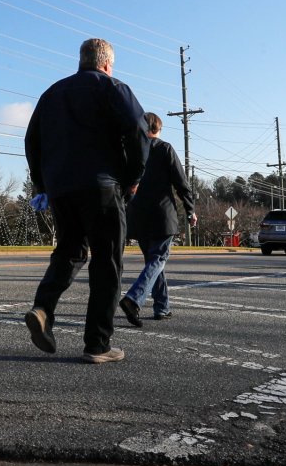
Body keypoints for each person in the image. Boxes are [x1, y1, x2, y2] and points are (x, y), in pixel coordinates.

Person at [23, 38, 148, 364]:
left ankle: (43, 309)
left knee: (69, 252)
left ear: (81, 60)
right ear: (106, 64)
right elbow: (138, 129)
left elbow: (31, 141)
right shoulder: (113, 88)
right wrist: (133, 177)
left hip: (62, 190)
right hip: (102, 188)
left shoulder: (51, 94)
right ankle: (97, 344)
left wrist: (43, 183)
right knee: (107, 263)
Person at [118, 113, 196, 325]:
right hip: (162, 215)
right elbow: (181, 183)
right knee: (158, 260)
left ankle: (162, 307)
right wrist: (190, 210)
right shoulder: (165, 149)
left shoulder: (131, 151)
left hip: (138, 216)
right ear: (158, 129)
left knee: (153, 262)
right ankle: (134, 299)